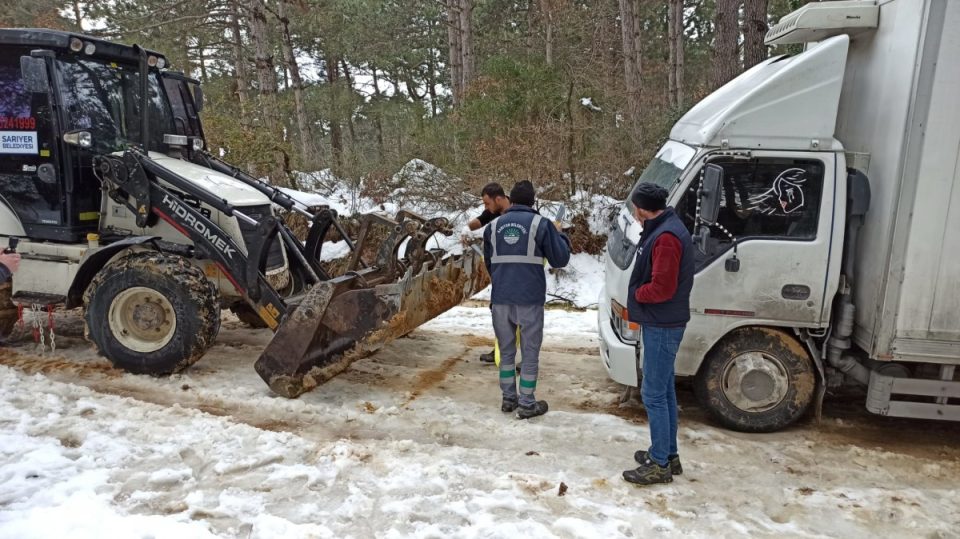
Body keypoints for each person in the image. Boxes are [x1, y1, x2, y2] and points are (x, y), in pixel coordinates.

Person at [621, 182, 695, 486]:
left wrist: (638, 294)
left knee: (653, 393)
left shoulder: (666, 237)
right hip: (664, 321)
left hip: (662, 324)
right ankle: (667, 453)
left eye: (635, 208)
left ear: (641, 208)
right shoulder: (666, 227)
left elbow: (662, 288)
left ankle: (660, 465)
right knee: (663, 391)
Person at [483, 180, 571, 419]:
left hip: (501, 299)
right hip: (529, 300)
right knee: (530, 354)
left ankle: (508, 399)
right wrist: (560, 235)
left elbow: (489, 263)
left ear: (511, 199)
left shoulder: (492, 227)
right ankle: (527, 403)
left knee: (507, 351)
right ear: (533, 201)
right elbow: (560, 260)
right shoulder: (541, 225)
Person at [462, 182, 511, 363]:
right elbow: (479, 222)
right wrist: (466, 229)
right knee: (498, 311)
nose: (486, 208)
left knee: (519, 315)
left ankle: (520, 357)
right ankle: (500, 351)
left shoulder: (519, 212)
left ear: (498, 199)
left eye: (487, 203)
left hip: (517, 271)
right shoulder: (494, 211)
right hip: (500, 272)